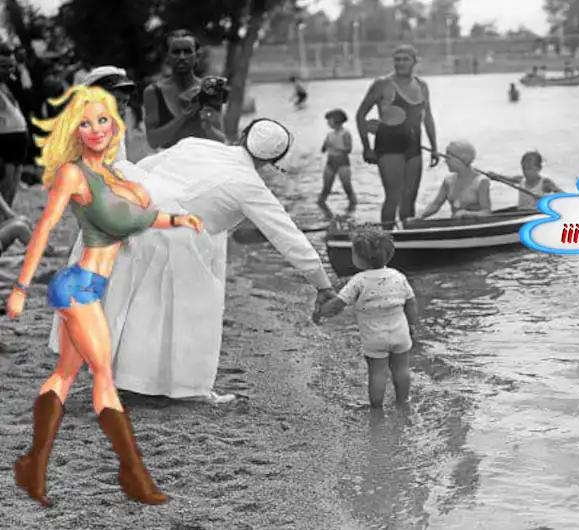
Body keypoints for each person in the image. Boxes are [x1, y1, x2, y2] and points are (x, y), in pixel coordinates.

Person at [7, 85, 205, 506]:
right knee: (102, 378)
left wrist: (178, 218)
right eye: (84, 123)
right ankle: (134, 475)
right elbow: (43, 228)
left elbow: (142, 217)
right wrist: (21, 287)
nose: (95, 129)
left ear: (114, 123)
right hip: (78, 287)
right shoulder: (74, 174)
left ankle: (33, 465)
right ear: (74, 131)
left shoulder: (113, 173)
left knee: (64, 375)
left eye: (102, 120)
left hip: (91, 286)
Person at [47, 118, 339, 405]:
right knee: (188, 309)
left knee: (124, 300)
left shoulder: (197, 144)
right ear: (274, 162)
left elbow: (147, 167)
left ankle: (125, 378)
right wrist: (323, 287)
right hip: (165, 234)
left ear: (241, 135)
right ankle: (175, 387)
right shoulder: (251, 185)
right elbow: (289, 237)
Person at [314, 228, 417, 409]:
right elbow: (411, 302)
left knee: (377, 372)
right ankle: (403, 402)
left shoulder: (359, 280)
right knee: (401, 369)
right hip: (400, 333)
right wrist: (412, 325)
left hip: (374, 337)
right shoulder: (398, 276)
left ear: (357, 258)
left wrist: (321, 312)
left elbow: (339, 303)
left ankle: (376, 408)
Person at [356, 44, 439, 229]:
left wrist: (434, 147)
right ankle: (385, 238)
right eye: (397, 59)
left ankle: (408, 237)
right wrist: (367, 148)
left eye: (405, 59)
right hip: (389, 146)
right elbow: (360, 114)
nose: (400, 63)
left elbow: (428, 118)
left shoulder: (422, 86)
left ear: (414, 62)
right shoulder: (382, 84)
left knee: (410, 196)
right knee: (393, 196)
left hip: (414, 146)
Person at [143, 30, 224, 149]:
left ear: (197, 56)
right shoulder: (154, 92)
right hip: (168, 161)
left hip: (204, 159)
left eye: (187, 52)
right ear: (167, 57)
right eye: (176, 52)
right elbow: (153, 141)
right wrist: (184, 116)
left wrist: (208, 127)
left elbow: (221, 139)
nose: (182, 57)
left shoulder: (210, 89)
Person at [411, 140, 490, 221]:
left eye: (448, 158)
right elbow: (436, 204)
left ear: (460, 160)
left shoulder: (481, 181)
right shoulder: (448, 181)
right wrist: (421, 216)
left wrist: (467, 213)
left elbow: (486, 212)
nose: (446, 161)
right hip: (455, 224)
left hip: (476, 224)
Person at [0, 45, 30, 218]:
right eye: (3, 66)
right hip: (5, 143)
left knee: (12, 190)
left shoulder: (8, 85)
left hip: (17, 141)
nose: (8, 70)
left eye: (10, 66)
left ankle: (5, 231)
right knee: (4, 189)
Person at [490, 151, 563, 210]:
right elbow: (505, 179)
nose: (525, 172)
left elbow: (562, 194)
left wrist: (547, 199)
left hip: (536, 215)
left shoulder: (545, 183)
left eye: (529, 169)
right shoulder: (521, 179)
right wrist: (495, 176)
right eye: (523, 168)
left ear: (539, 168)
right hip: (520, 214)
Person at [319, 109, 356, 211]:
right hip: (330, 162)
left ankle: (352, 207)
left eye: (329, 121)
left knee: (347, 187)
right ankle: (321, 205)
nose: (328, 123)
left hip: (342, 162)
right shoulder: (329, 134)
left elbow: (348, 149)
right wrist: (325, 147)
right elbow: (323, 148)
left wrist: (335, 147)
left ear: (337, 120)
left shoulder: (345, 133)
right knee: (326, 188)